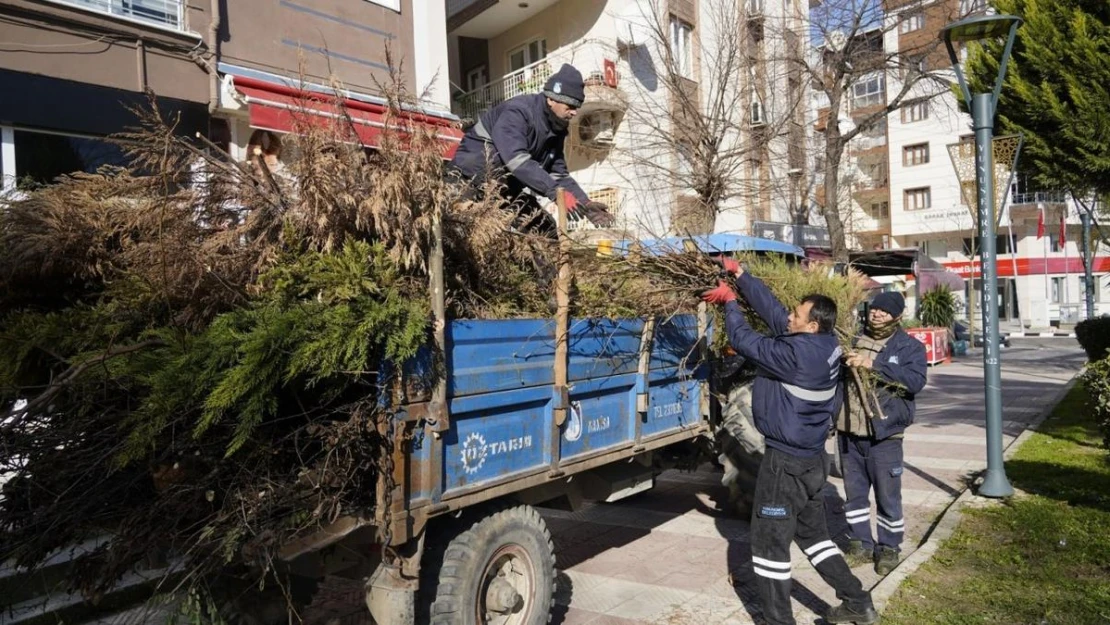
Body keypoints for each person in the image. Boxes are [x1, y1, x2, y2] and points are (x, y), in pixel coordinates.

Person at [702, 259, 878, 625]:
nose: (790, 318)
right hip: (812, 461)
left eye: (797, 315)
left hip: (785, 466)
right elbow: (776, 316)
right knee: (815, 538)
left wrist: (730, 303)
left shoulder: (795, 357)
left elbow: (743, 340)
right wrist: (742, 276)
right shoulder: (825, 343)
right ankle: (857, 602)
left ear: (811, 325)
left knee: (769, 546)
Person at [446, 63, 615, 236]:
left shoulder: (556, 129)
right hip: (467, 182)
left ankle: (555, 263)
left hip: (502, 188)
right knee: (464, 237)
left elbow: (559, 175)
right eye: (570, 106)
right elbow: (518, 161)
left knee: (544, 230)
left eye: (576, 107)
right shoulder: (518, 112)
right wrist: (555, 194)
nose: (573, 113)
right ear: (551, 99)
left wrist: (585, 204)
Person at [839, 291, 927, 575]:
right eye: (874, 309)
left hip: (884, 435)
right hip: (849, 432)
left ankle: (889, 547)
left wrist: (874, 366)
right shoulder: (852, 341)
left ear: (897, 316)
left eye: (884, 311)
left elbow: (915, 381)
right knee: (854, 495)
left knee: (888, 496)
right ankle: (861, 543)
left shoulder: (908, 347)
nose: (876, 314)